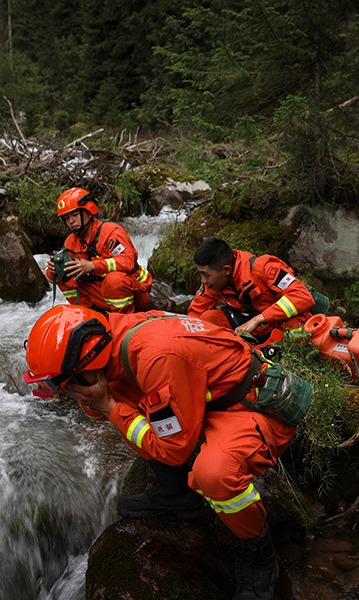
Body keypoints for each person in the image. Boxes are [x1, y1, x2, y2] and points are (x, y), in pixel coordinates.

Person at [23, 304, 299, 600]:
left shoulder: (154, 356)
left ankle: (257, 551)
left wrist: (108, 405)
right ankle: (177, 493)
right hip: (207, 399)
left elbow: (174, 450)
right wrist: (102, 403)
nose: (67, 393)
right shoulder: (112, 337)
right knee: (123, 407)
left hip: (249, 406)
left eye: (67, 385)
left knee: (213, 475)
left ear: (87, 367)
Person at [44, 187, 152, 313]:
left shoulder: (111, 232)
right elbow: (53, 279)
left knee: (114, 280)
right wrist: (53, 269)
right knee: (66, 277)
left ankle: (124, 320)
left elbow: (127, 261)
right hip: (102, 293)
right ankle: (93, 315)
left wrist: (92, 266)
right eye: (66, 218)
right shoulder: (70, 241)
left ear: (89, 212)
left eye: (74, 215)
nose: (71, 221)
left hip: (136, 292)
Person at [189, 237, 315, 344]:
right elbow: (192, 318)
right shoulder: (212, 285)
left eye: (205, 275)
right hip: (253, 328)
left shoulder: (265, 268)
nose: (203, 281)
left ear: (226, 270)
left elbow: (302, 296)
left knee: (294, 323)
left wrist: (258, 319)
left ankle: (293, 356)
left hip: (277, 325)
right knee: (208, 318)